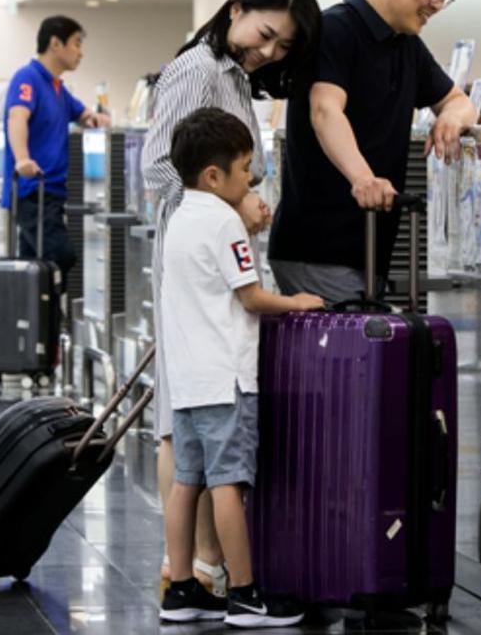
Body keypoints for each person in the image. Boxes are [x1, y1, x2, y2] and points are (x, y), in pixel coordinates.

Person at [141, 0, 320, 597]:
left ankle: (199, 570)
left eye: (282, 46)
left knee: (196, 418)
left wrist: (246, 200)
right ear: (237, 8)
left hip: (216, 256)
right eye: (265, 33)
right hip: (197, 263)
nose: (268, 51)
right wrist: (224, 204)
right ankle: (193, 570)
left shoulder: (235, 76)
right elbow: (158, 163)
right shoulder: (199, 68)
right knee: (185, 417)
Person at [159, 107, 323, 625]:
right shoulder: (224, 220)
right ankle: (246, 594)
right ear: (214, 176)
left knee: (188, 481)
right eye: (245, 167)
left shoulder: (180, 216)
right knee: (230, 482)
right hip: (225, 378)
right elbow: (251, 297)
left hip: (186, 378)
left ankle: (181, 588)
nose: (251, 178)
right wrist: (296, 302)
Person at [268, 0, 478, 303]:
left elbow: (460, 101)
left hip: (368, 253)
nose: (436, 3)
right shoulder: (335, 30)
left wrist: (450, 117)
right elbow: (325, 110)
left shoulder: (406, 44)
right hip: (318, 250)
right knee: (354, 361)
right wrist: (362, 178)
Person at [0, 16, 110, 286]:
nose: (80, 52)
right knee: (60, 255)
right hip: (32, 190)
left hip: (52, 192)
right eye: (75, 43)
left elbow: (82, 113)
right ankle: (39, 319)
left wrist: (95, 119)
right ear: (55, 44)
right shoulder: (28, 78)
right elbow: (17, 118)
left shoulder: (57, 87)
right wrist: (22, 158)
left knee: (33, 263)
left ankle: (34, 323)